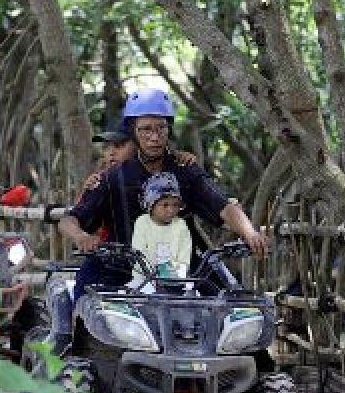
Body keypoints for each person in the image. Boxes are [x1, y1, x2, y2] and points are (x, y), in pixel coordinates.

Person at [58, 87, 268, 293]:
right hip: (120, 271)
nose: (155, 136)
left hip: (181, 272)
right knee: (85, 305)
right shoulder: (111, 178)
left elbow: (222, 205)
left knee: (231, 305)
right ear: (133, 132)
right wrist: (80, 236)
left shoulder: (185, 170)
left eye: (161, 128)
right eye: (146, 129)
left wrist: (249, 233)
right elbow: (70, 219)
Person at [131, 173, 191, 281]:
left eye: (175, 205)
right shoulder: (142, 222)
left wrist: (175, 273)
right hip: (143, 281)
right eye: (165, 205)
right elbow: (138, 255)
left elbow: (184, 260)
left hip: (176, 282)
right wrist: (156, 274)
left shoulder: (181, 225)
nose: (171, 210)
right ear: (151, 205)